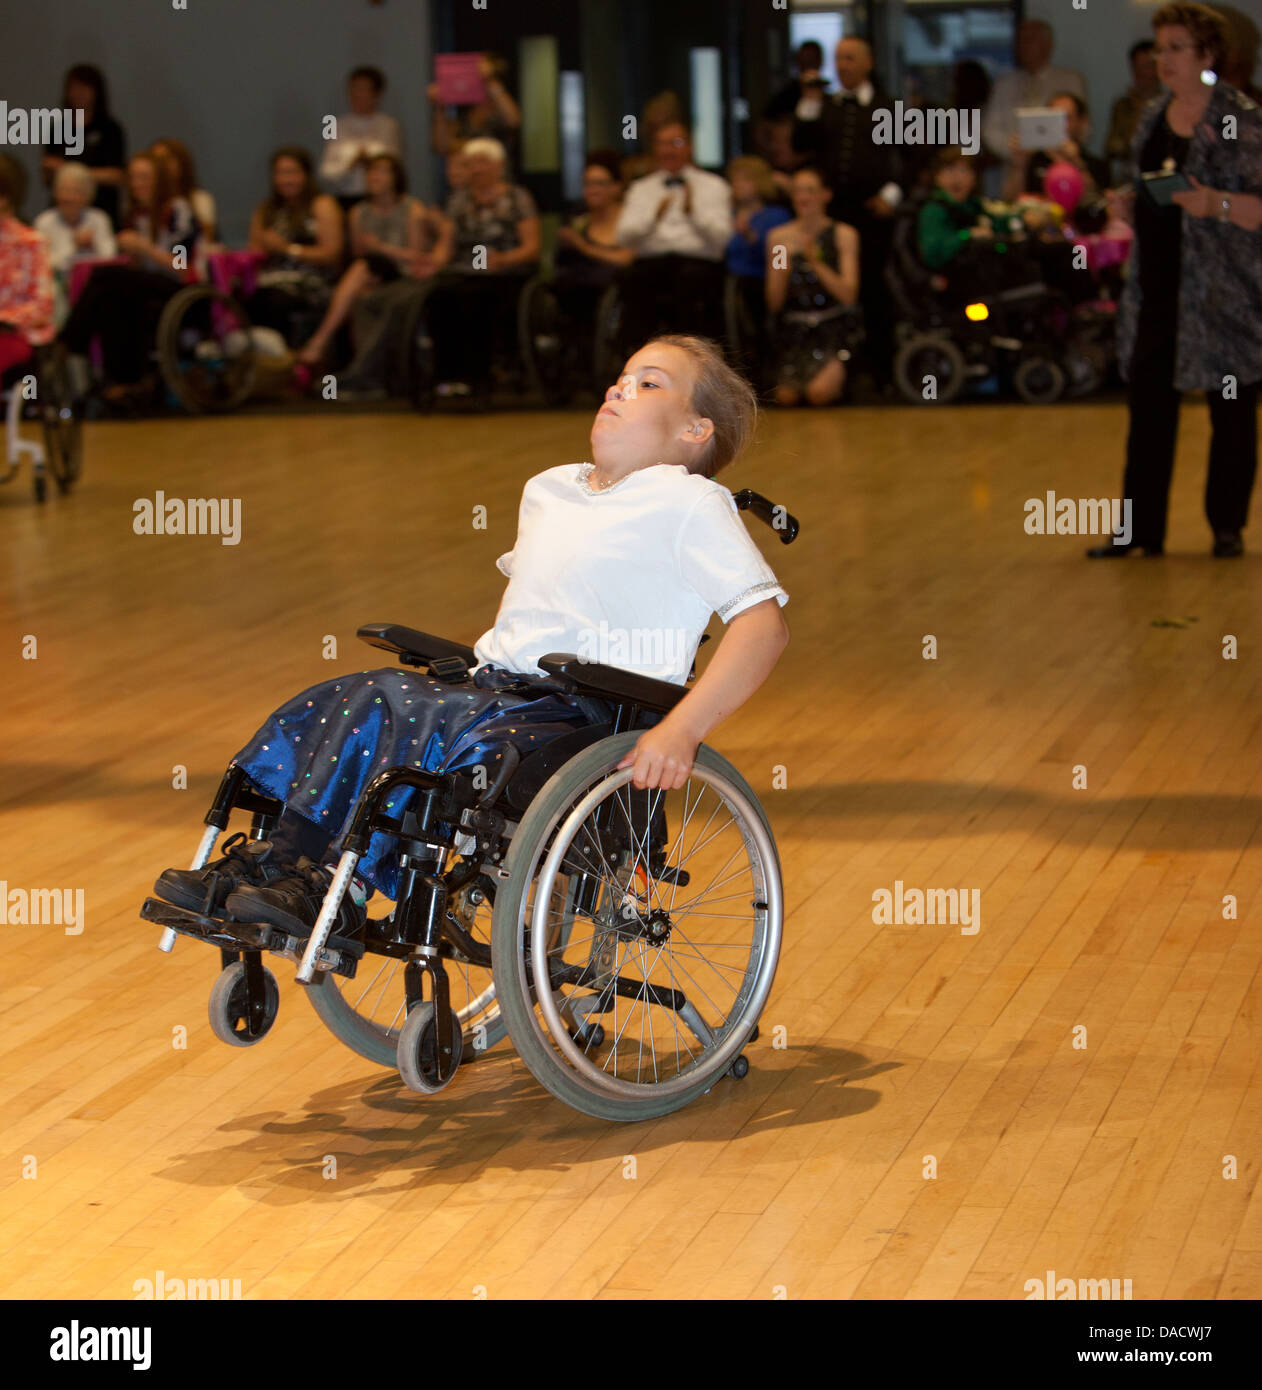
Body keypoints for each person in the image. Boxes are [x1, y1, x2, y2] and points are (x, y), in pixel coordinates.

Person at [151, 334, 790, 934]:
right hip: (501, 690)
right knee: (369, 695)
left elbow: (763, 627)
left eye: (648, 384)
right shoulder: (550, 489)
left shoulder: (690, 503)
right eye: (620, 378)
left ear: (694, 431)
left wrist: (681, 729)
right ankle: (283, 862)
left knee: (450, 737)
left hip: (584, 713)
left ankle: (325, 883)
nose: (618, 390)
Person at [1088, 2, 1262, 561]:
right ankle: (1139, 530)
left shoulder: (1241, 117)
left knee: (1230, 411)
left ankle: (1226, 526)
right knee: (1148, 410)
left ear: (1208, 54)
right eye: (1159, 48)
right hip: (1158, 288)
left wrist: (1217, 202)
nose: (1163, 59)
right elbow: (1148, 185)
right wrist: (1128, 200)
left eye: (1176, 48)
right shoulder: (1151, 114)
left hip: (1224, 292)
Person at [791, 37, 905, 390]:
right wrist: (809, 102)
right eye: (838, 59)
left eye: (850, 58)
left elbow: (914, 160)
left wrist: (891, 193)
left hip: (872, 215)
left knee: (873, 289)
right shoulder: (823, 106)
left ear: (868, 62)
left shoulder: (890, 107)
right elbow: (800, 146)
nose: (843, 65)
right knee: (824, 283)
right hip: (832, 215)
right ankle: (827, 368)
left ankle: (880, 371)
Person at [295, 153, 446, 393]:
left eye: (382, 171)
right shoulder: (359, 213)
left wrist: (382, 248)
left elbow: (418, 258)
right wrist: (373, 264)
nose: (375, 177)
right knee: (362, 287)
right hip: (375, 272)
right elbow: (360, 254)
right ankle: (368, 376)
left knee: (363, 271)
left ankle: (320, 341)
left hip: (406, 274)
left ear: (396, 177)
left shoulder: (412, 209)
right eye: (371, 172)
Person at [58, 151, 199, 406]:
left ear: (160, 180)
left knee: (105, 275)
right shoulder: (136, 215)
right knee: (111, 297)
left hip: (181, 291)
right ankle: (124, 381)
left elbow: (182, 267)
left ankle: (69, 343)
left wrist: (143, 247)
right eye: (133, 178)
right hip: (147, 288)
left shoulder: (177, 210)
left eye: (145, 177)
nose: (137, 184)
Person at [423, 137, 539, 401]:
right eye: (472, 163)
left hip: (507, 272)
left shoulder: (517, 198)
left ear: (499, 165)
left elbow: (532, 246)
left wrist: (503, 259)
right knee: (438, 296)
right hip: (466, 269)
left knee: (477, 298)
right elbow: (447, 243)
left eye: (483, 162)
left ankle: (479, 376)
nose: (477, 169)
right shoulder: (459, 200)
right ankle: (447, 374)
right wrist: (433, 262)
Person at [614, 122, 731, 349]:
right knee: (630, 280)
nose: (669, 150)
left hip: (698, 264)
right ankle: (636, 353)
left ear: (689, 147)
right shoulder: (641, 188)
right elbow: (624, 236)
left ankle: (693, 355)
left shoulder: (713, 185)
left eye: (675, 143)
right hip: (652, 264)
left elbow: (722, 238)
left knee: (690, 282)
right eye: (662, 144)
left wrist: (693, 212)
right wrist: (652, 217)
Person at [765, 166, 860, 407]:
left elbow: (849, 295)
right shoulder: (779, 239)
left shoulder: (843, 234)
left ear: (825, 195)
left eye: (810, 190)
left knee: (819, 394)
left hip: (833, 330)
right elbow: (774, 302)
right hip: (795, 333)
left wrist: (815, 263)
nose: (803, 197)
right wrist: (781, 270)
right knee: (786, 398)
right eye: (797, 191)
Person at [247, 147, 344, 345]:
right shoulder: (266, 209)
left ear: (306, 175)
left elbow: (332, 254)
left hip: (308, 284)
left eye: (292, 172)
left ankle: (284, 361)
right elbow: (252, 253)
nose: (286, 179)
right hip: (267, 282)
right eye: (280, 173)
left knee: (272, 302)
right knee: (241, 299)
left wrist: (287, 248)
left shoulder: (321, 205)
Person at [982, 20, 1087, 186]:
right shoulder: (1005, 83)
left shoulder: (1069, 80)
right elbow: (990, 130)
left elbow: (1081, 126)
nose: (1022, 46)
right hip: (1015, 166)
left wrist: (1062, 150)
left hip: (1062, 164)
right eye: (1019, 40)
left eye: (1029, 39)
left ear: (1047, 45)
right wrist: (1015, 149)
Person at [551, 152, 633, 327]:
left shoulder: (630, 219)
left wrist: (583, 246)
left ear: (616, 187)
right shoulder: (578, 219)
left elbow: (627, 259)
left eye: (600, 184)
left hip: (611, 294)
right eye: (588, 184)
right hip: (573, 292)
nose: (593, 190)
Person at [41, 64, 126, 228]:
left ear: (96, 92)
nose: (79, 93)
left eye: (84, 87)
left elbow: (117, 175)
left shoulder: (109, 129)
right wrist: (51, 170)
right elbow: (48, 178)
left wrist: (71, 171)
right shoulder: (59, 128)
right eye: (74, 88)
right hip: (63, 213)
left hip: (101, 207)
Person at [34, 164, 116, 324]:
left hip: (94, 286)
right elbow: (45, 263)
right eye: (64, 191)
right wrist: (74, 248)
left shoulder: (99, 219)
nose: (69, 197)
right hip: (59, 285)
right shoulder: (44, 222)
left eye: (76, 192)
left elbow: (110, 257)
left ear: (88, 196)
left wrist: (92, 245)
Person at [0, 157, 55, 379]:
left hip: (16, 334)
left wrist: (5, 318)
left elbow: (42, 306)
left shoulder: (30, 242)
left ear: (4, 198)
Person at [319, 66, 404, 210]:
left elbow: (395, 165)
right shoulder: (333, 123)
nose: (357, 95)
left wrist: (371, 161)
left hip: (380, 200)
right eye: (353, 89)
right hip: (344, 198)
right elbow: (325, 171)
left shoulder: (389, 126)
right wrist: (349, 165)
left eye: (364, 89)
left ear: (377, 94)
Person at [1003, 92, 1111, 203]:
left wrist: (1076, 161)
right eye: (1053, 118)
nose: (1059, 125)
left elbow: (1098, 204)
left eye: (1066, 118)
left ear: (1081, 122)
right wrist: (1019, 166)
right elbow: (1010, 201)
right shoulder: (1033, 160)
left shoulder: (1097, 165)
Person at [428, 53, 521, 160]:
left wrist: (490, 81)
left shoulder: (501, 113)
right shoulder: (462, 115)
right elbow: (442, 146)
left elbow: (514, 120)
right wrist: (439, 107)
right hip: (467, 176)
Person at [1106, 41, 1163, 181]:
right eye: (1137, 67)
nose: (1141, 73)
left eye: (1147, 66)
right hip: (1129, 177)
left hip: (1160, 176)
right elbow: (1112, 148)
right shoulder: (1123, 106)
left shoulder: (1168, 106)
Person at [150, 138, 217, 244]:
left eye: (166, 160)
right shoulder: (148, 201)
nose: (161, 166)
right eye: (156, 160)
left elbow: (204, 242)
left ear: (182, 163)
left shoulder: (199, 199)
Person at [763, 41, 829, 121]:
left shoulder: (830, 98)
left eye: (812, 60)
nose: (809, 66)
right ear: (798, 62)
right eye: (805, 61)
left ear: (820, 62)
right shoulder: (785, 97)